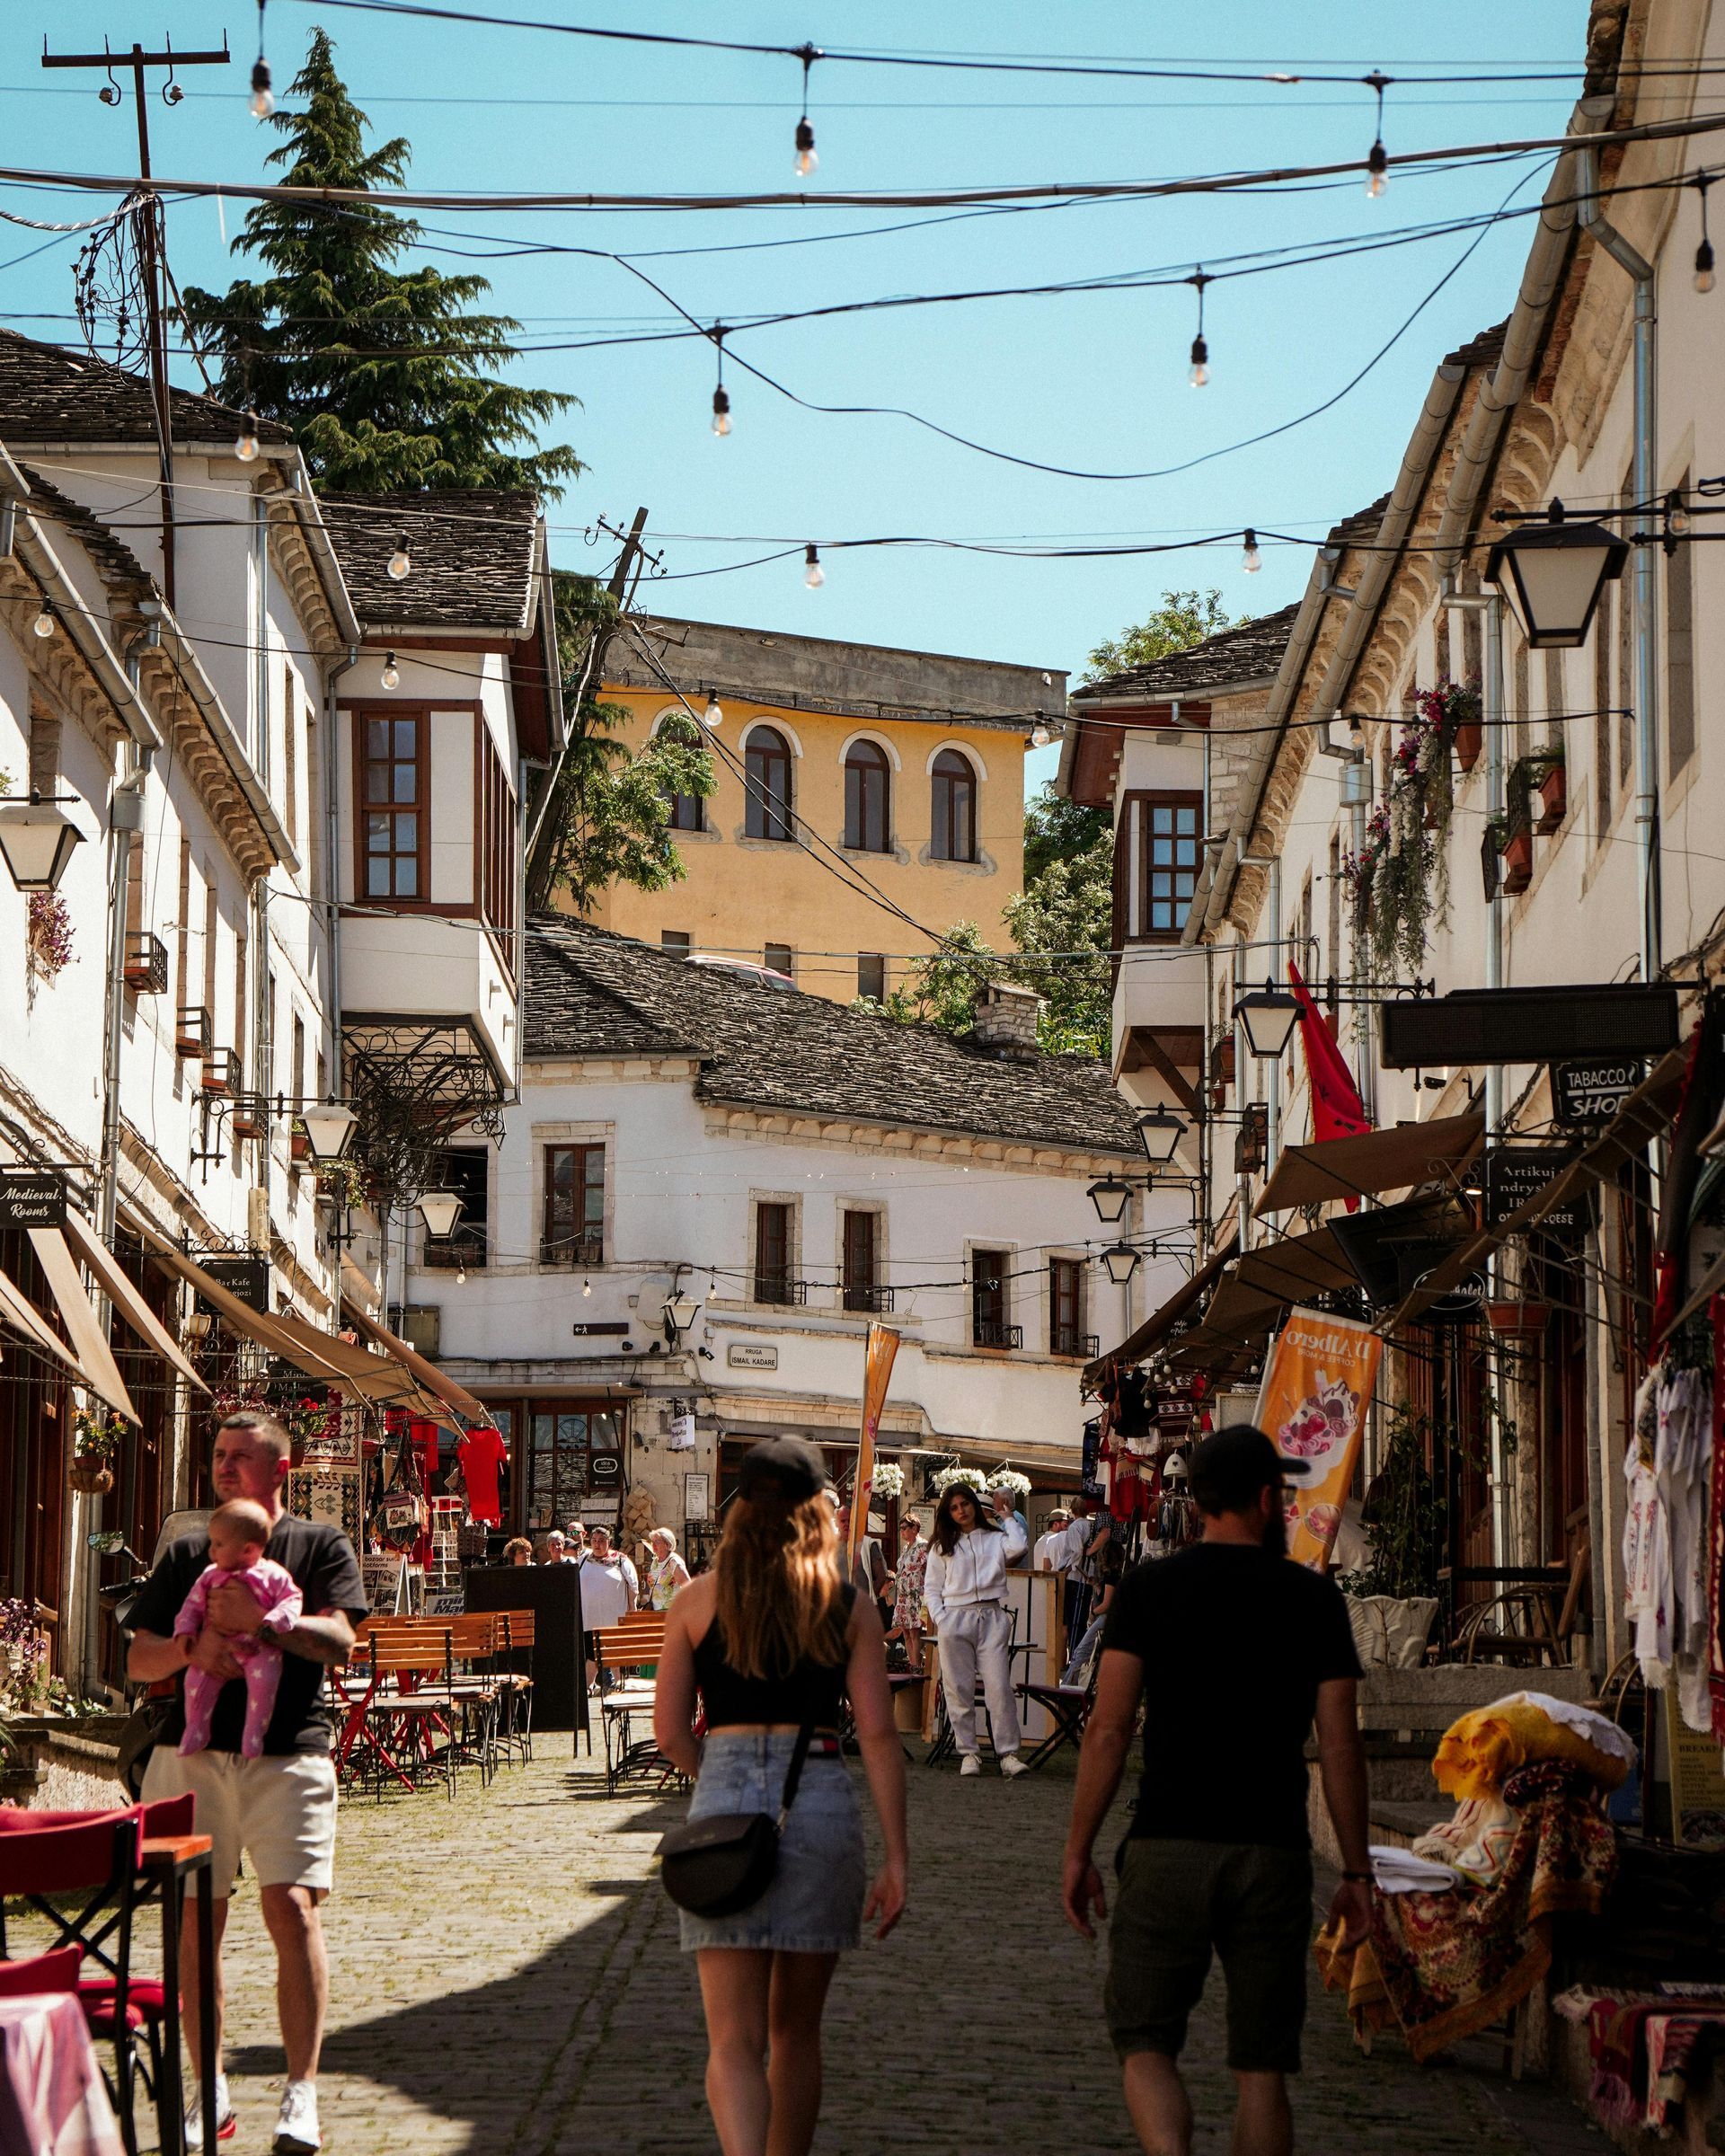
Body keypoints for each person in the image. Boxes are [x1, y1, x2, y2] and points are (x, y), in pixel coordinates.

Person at [1061, 1427, 1371, 2156]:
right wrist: (1357, 1870)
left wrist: (1078, 1849)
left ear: (1196, 1502)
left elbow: (1107, 1729)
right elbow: (1340, 1743)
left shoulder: (1147, 1590)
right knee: (1263, 2068)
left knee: (1144, 2041)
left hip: (1169, 1839)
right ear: (1267, 1500)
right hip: (1273, 1848)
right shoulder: (1312, 1599)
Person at [653, 1436, 907, 2156]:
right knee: (797, 2035)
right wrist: (897, 1858)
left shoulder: (695, 1601)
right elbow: (883, 1738)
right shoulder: (849, 1607)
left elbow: (670, 1734)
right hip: (820, 1795)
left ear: (740, 1508)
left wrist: (720, 1779)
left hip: (725, 1802)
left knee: (733, 2041)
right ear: (816, 1511)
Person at [128, 1413, 367, 2155]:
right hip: (190, 1757)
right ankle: (210, 2086)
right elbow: (139, 1659)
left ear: (280, 1472)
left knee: (291, 1908)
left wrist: (266, 1627)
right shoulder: (189, 1554)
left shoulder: (318, 1544)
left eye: (241, 1459)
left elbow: (340, 1638)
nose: (225, 1470)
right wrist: (192, 1646)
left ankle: (301, 2094)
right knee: (197, 1922)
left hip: (288, 1750)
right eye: (219, 1458)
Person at [174, 1499, 303, 1758]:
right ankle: (197, 1728)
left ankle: (254, 1733)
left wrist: (274, 1620)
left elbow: (292, 1599)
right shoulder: (211, 1575)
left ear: (247, 1550)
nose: (211, 1551)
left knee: (266, 1682)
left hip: (259, 1647)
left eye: (219, 1544)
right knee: (196, 1680)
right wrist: (186, 1632)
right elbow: (192, 1606)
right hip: (219, 1647)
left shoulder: (272, 1575)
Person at [923, 1480, 1029, 1777]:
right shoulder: (942, 1545)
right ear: (948, 1511)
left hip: (992, 1615)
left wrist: (1007, 1517)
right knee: (958, 1689)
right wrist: (942, 1619)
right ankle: (969, 1752)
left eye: (965, 1504)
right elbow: (931, 1588)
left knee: (998, 1688)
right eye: (954, 1507)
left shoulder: (995, 1537)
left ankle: (1008, 1753)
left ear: (974, 1504)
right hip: (955, 1617)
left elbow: (1019, 1545)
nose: (961, 1511)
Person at [1060, 1532, 1125, 1687]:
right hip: (1108, 1619)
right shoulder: (1114, 1575)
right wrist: (1095, 1585)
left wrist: (1092, 1613)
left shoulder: (1111, 1576)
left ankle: (1067, 1685)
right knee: (1083, 1653)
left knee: (1081, 1652)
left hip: (1104, 1618)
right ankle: (1070, 1684)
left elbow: (1107, 1603)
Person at [579, 1524, 638, 1690]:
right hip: (590, 1618)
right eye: (594, 1541)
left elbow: (633, 1588)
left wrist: (631, 1611)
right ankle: (588, 1688)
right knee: (592, 1655)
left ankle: (620, 1687)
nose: (597, 1544)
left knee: (615, 1655)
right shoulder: (583, 1560)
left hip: (614, 1618)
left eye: (602, 1541)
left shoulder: (621, 1560)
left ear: (609, 1542)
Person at [886, 1514, 929, 1673]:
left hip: (915, 1595)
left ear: (915, 1528)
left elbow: (931, 1569)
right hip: (903, 1596)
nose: (901, 1531)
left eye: (905, 1528)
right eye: (900, 1528)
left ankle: (917, 1667)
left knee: (914, 1632)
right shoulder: (906, 1548)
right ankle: (912, 1665)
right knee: (905, 1632)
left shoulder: (923, 1546)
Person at [644, 1526, 692, 1610]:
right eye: (653, 1542)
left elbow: (688, 1587)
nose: (654, 1545)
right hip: (655, 1612)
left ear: (667, 1544)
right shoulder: (655, 1562)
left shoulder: (674, 1562)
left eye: (657, 1542)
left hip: (673, 1612)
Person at [991, 1484, 1031, 1568]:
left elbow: (1020, 1552)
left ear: (1005, 1502)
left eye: (994, 1499)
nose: (992, 1502)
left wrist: (1003, 1568)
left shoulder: (1016, 1518)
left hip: (1015, 1575)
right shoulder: (1002, 1519)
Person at [1033, 1507, 1071, 1574]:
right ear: (1056, 1524)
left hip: (1039, 1582)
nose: (1067, 1528)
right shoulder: (1056, 1541)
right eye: (1065, 1525)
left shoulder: (1039, 1541)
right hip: (1052, 1582)